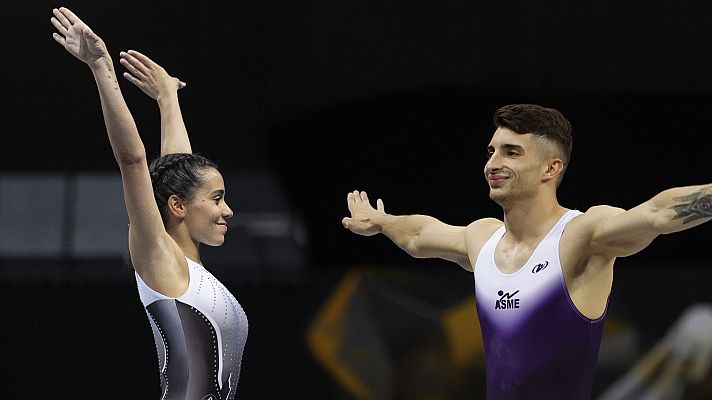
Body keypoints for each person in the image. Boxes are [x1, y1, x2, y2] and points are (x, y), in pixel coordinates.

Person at [342, 103, 712, 399]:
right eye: (491, 151)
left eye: (511, 152)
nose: (493, 163)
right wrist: (382, 222)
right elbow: (420, 235)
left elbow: (656, 213)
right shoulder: (482, 239)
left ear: (551, 168)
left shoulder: (580, 235)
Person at [51, 7, 248, 399]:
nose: (228, 211)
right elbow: (133, 160)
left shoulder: (186, 268)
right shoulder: (159, 261)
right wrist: (101, 67)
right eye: (218, 199)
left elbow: (179, 171)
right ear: (177, 207)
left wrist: (167, 98)